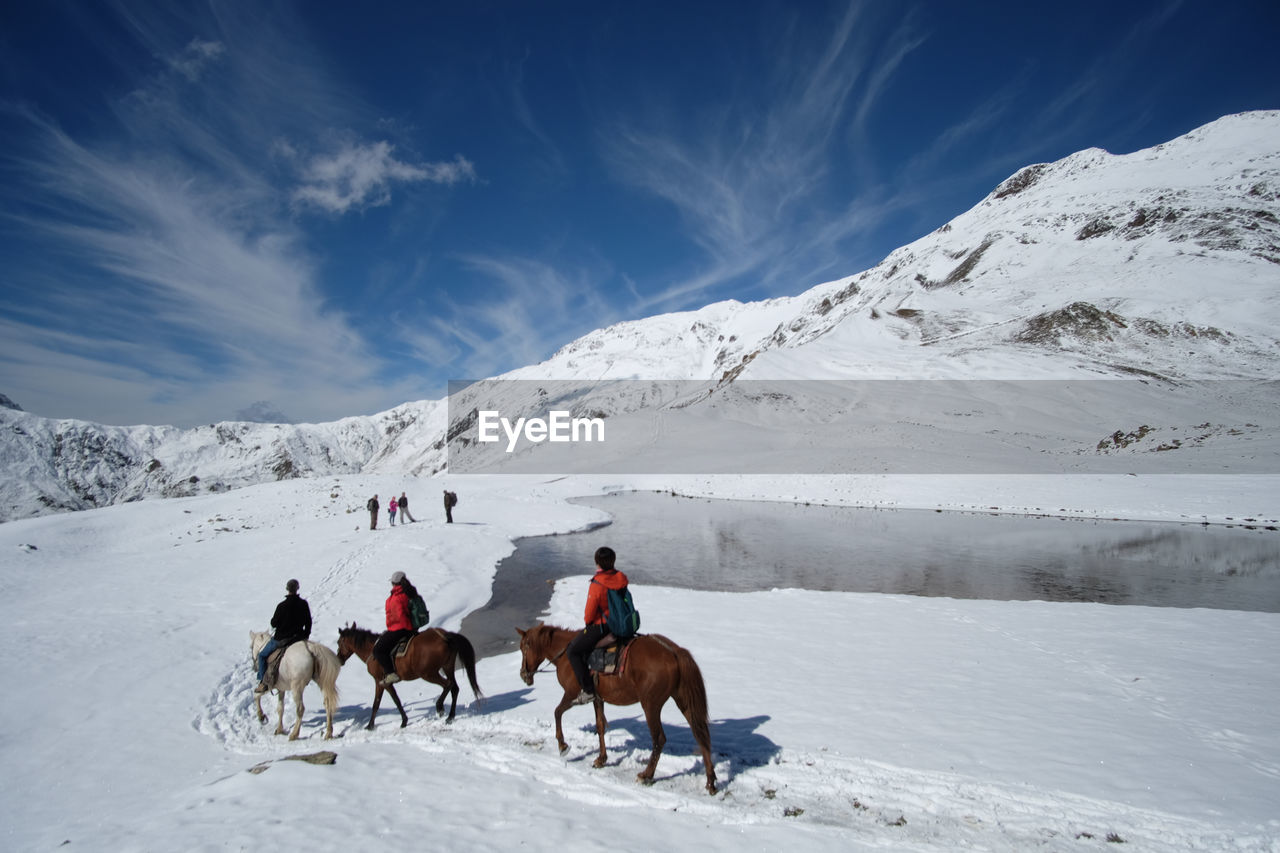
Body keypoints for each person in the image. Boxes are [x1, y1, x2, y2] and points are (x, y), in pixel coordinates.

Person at [566, 546, 627, 705]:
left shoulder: (598, 583)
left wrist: (588, 624)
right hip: (620, 622)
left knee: (572, 651)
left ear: (597, 562)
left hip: (603, 626)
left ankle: (587, 690)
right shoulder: (620, 578)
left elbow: (589, 613)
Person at [255, 579, 312, 694]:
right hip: (298, 638)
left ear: (287, 589)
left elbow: (274, 623)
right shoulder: (304, 604)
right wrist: (305, 635)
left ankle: (263, 682)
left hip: (281, 639)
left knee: (261, 655)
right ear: (297, 589)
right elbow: (308, 622)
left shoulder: (281, 606)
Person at [372, 571, 419, 686]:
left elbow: (400, 616)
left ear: (393, 583)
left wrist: (407, 630)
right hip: (407, 627)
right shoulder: (408, 592)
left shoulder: (396, 597)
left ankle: (391, 673)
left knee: (378, 650)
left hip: (399, 629)